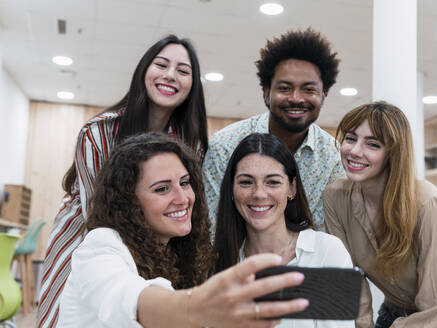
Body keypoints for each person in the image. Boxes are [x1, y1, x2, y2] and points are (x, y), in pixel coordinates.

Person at [37, 34, 209, 328]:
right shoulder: (98, 132)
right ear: (144, 70)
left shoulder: (189, 142)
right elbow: (101, 213)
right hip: (88, 230)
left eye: (183, 71)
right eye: (162, 65)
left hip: (155, 237)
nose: (170, 75)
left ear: (192, 85)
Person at [57, 132, 309, 328]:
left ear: (292, 189)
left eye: (185, 183)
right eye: (162, 189)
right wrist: (197, 307)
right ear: (128, 200)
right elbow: (125, 297)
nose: (183, 198)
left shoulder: (183, 254)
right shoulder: (101, 245)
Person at [323, 101, 437, 327]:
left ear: (392, 154)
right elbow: (350, 276)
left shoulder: (427, 202)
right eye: (351, 139)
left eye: (372, 144)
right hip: (395, 312)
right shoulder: (335, 197)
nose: (354, 151)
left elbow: (434, 308)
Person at [202, 28, 345, 234]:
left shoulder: (332, 157)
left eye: (309, 89)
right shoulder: (226, 145)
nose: (296, 98)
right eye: (285, 88)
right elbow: (212, 229)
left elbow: (321, 235)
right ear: (267, 92)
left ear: (323, 95)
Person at [214, 133, 353, 328]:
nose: (259, 194)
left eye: (273, 182)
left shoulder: (327, 252)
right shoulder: (221, 264)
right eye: (246, 182)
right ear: (231, 189)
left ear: (292, 189)